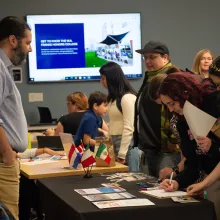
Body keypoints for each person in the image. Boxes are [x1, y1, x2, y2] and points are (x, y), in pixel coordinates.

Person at [158, 72, 220, 219]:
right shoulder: (182, 121)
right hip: (209, 179)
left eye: (172, 104)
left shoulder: (213, 104)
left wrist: (213, 146)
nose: (171, 110)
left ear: (183, 95)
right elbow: (192, 162)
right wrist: (177, 182)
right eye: (167, 106)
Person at [0, 16, 32, 219]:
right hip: (4, 162)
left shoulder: (5, 69)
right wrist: (7, 154)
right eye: (27, 42)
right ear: (13, 40)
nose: (30, 49)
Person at [134, 40, 179, 177]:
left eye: (152, 57)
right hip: (151, 146)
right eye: (145, 58)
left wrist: (172, 141)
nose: (147, 61)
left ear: (165, 57)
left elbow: (176, 113)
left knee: (165, 188)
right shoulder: (150, 77)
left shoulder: (171, 78)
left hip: (165, 148)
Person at [148, 66, 186, 180]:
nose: (169, 108)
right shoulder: (173, 111)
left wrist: (177, 171)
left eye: (169, 104)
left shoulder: (183, 113)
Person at [99, 62, 139, 171]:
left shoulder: (127, 98)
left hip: (127, 145)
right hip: (115, 143)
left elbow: (129, 127)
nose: (101, 82)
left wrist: (122, 154)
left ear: (111, 78)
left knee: (130, 178)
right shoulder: (113, 99)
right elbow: (114, 124)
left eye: (103, 78)